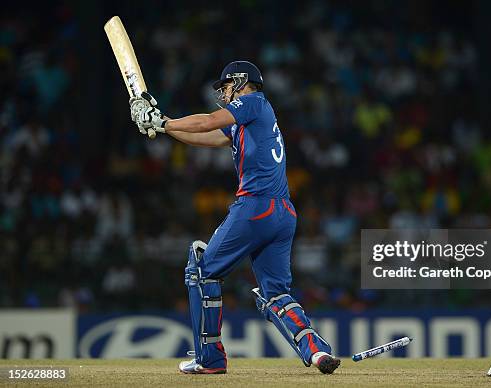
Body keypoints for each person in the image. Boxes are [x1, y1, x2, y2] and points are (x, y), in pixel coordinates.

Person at [129, 61, 340, 375]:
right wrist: (163, 128)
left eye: (226, 86)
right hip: (282, 213)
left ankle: (210, 358)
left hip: (256, 207)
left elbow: (208, 121)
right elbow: (209, 136)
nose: (223, 92)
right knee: (277, 293)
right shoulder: (251, 118)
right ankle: (317, 352)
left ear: (241, 82)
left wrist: (164, 120)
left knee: (202, 271)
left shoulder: (252, 102)